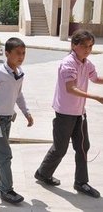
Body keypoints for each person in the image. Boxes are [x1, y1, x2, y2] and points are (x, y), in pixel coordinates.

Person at [34, 29, 103, 198]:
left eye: (90, 46)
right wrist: (96, 97)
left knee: (82, 147)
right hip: (64, 113)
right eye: (84, 46)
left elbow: (95, 78)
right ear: (74, 45)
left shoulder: (86, 63)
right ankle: (43, 173)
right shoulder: (68, 63)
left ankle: (81, 182)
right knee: (60, 149)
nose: (88, 49)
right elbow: (70, 88)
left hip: (79, 113)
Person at [0, 37, 33, 204]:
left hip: (7, 119)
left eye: (23, 53)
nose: (21, 57)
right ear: (7, 53)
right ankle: (6, 190)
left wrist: (27, 113)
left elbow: (19, 95)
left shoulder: (19, 73)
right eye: (17, 53)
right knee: (5, 154)